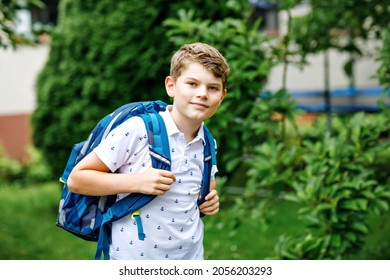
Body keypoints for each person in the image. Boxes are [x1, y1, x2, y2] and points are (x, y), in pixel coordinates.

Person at [67, 42, 230, 260]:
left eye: (212, 88)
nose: (202, 94)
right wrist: (137, 182)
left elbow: (204, 189)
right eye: (192, 83)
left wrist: (210, 200)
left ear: (222, 95)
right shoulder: (138, 130)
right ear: (171, 86)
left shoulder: (208, 142)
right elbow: (77, 180)